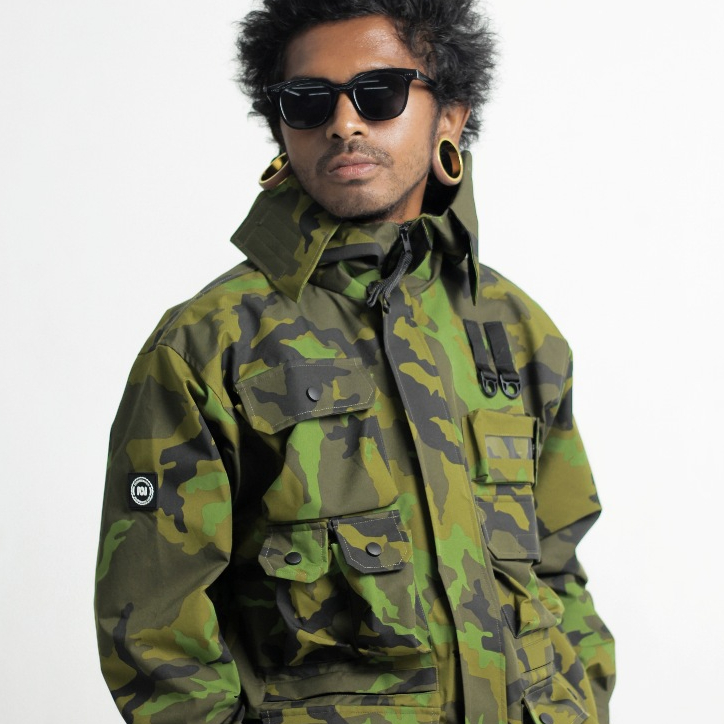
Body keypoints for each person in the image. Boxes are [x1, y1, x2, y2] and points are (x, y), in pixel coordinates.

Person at [94, 2, 615, 723]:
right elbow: (154, 632)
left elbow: (558, 573)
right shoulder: (209, 345)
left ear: (451, 115)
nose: (344, 124)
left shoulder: (515, 329)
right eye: (309, 101)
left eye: (379, 92)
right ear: (280, 128)